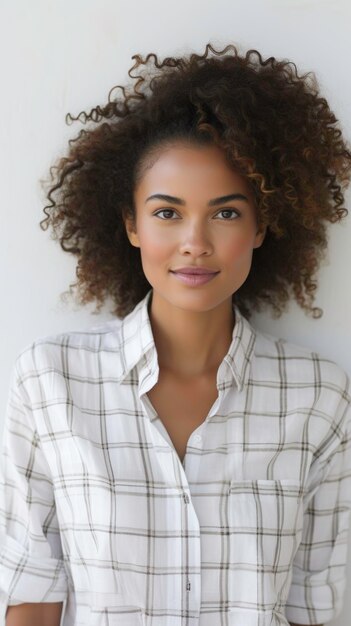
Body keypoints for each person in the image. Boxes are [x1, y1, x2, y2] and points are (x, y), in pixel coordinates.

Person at [1, 42, 351, 626]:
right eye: (167, 212)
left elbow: (312, 609)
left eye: (226, 212)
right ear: (131, 224)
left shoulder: (318, 397)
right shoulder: (51, 381)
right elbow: (32, 597)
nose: (195, 241)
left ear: (262, 226)